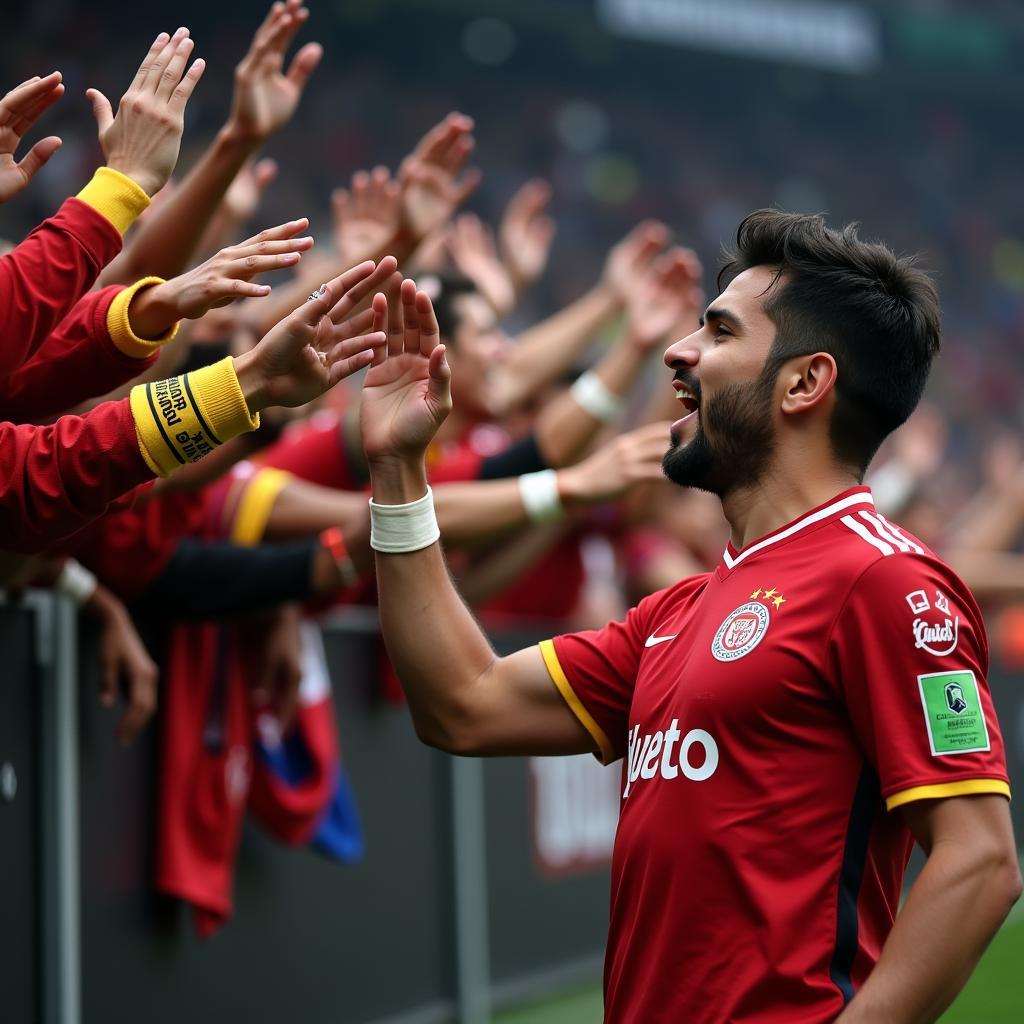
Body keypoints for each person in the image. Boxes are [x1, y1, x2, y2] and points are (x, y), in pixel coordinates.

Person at [359, 212, 1020, 1023]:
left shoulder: (883, 581)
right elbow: (463, 701)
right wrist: (396, 471)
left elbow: (980, 862)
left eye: (718, 331)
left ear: (804, 383)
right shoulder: (678, 609)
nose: (680, 352)